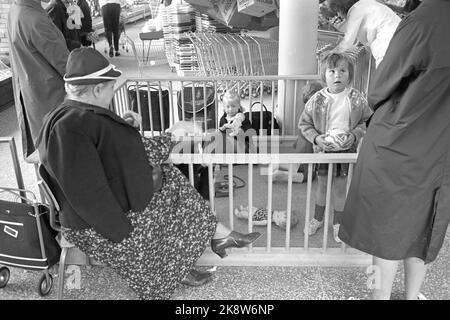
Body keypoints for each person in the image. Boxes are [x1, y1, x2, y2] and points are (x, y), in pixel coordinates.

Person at [36, 47, 261, 300]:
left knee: (172, 184)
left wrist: (123, 128)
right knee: (167, 204)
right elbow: (90, 188)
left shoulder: (69, 116)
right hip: (97, 225)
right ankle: (177, 271)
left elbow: (103, 153)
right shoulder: (70, 128)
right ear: (97, 89)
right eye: (111, 87)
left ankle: (204, 247)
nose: (112, 93)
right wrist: (172, 134)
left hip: (99, 213)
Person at [339, 0, 450, 300]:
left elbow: (380, 88)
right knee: (424, 228)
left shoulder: (422, 21)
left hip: (398, 145)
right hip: (440, 150)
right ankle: (412, 296)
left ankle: (380, 298)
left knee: (384, 234)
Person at [299, 52, 372, 242]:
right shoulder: (317, 99)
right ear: (324, 75)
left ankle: (338, 223)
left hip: (345, 152)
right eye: (332, 71)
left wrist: (354, 135)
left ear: (350, 75)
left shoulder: (357, 98)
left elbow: (367, 122)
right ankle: (317, 219)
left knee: (340, 189)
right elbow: (304, 124)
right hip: (324, 151)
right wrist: (316, 139)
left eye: (342, 71)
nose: (337, 75)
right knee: (321, 186)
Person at [7, 0, 70, 159]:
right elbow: (66, 66)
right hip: (52, 98)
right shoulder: (35, 18)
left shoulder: (16, 10)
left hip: (33, 96)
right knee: (61, 154)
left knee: (46, 150)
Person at [272, 80, 325, 184]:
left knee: (298, 164)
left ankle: (278, 163)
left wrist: (296, 143)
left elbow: (301, 130)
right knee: (309, 176)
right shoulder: (319, 114)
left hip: (300, 148)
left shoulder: (306, 111)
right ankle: (283, 176)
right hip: (308, 150)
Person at [327, 0, 401, 68]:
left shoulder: (355, 10)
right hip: (402, 34)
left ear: (341, 8)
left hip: (387, 44)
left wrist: (332, 52)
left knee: (385, 75)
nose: (338, 15)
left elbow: (348, 41)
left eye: (338, 11)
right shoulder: (366, 3)